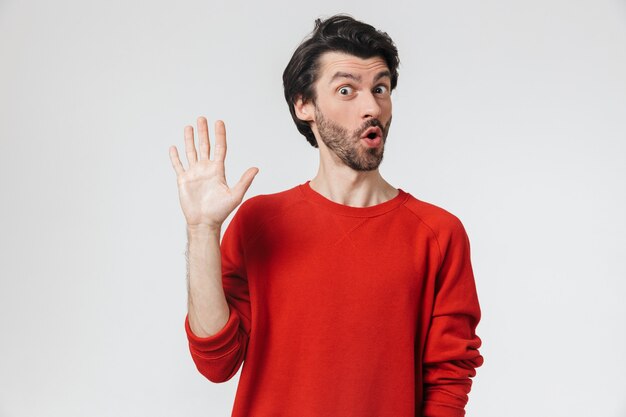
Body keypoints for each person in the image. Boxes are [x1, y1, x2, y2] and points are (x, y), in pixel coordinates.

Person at [169, 14, 483, 417]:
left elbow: (447, 384)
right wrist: (202, 230)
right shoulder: (260, 223)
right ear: (305, 105)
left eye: (381, 88)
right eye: (347, 90)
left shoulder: (438, 234)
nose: (372, 106)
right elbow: (216, 362)